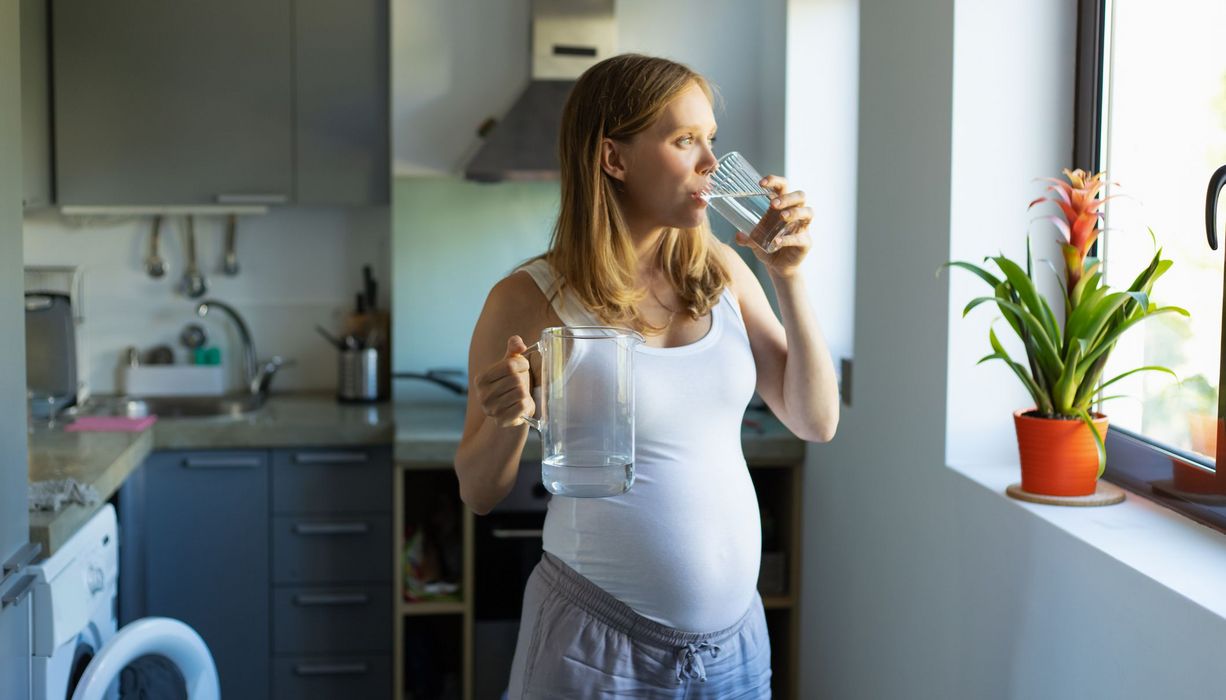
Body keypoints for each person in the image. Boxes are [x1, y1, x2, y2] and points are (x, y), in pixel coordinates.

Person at [454, 53, 839, 699]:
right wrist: (507, 417)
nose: (711, 164)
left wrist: (789, 277)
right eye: (685, 140)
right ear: (614, 159)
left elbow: (815, 419)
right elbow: (478, 491)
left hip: (735, 648)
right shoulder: (527, 298)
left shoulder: (721, 269)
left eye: (710, 139)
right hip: (595, 645)